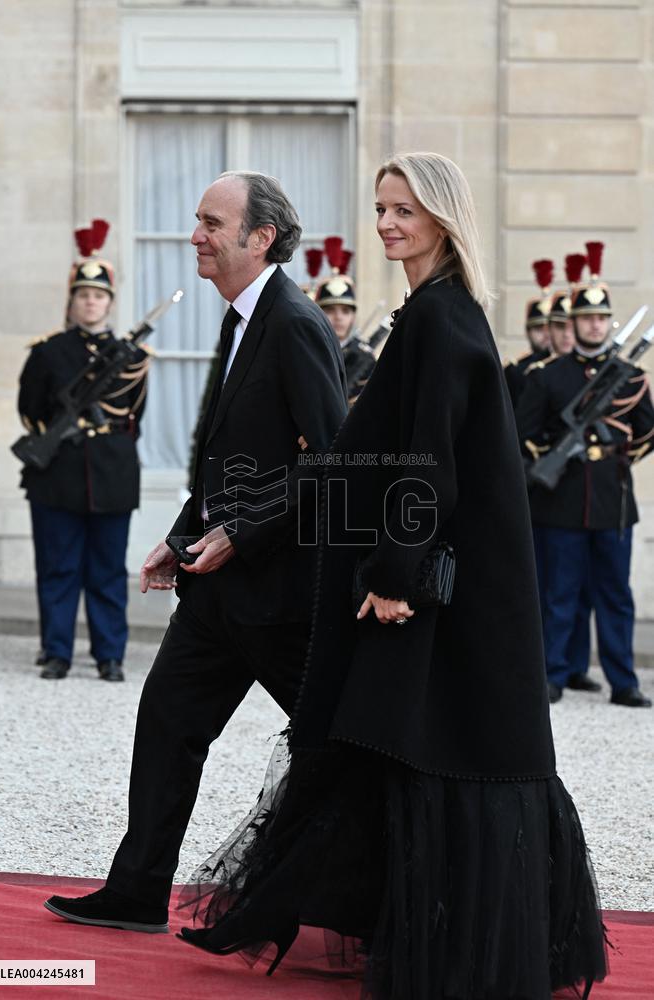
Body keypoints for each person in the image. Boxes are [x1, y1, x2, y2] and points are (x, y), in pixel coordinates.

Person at [175, 154, 606, 1000]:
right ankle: (383, 921)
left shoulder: (440, 317)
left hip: (437, 588)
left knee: (428, 740)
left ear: (441, 216)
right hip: (433, 577)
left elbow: (431, 459)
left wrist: (396, 573)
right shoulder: (432, 312)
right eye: (380, 208)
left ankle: (443, 944)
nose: (385, 224)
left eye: (403, 210)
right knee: (390, 733)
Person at [43, 172, 347, 932]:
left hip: (277, 593)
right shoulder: (243, 317)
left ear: (261, 237)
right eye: (197, 220)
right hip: (215, 592)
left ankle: (392, 900)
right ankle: (138, 891)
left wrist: (241, 533)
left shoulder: (295, 322)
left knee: (341, 744)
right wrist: (182, 537)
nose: (195, 236)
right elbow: (229, 457)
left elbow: (330, 461)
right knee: (167, 724)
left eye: (212, 223)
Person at [517, 241, 654, 707]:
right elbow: (524, 434)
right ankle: (553, 674)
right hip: (562, 499)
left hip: (613, 500)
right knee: (560, 593)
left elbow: (646, 431)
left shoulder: (630, 377)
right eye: (586, 318)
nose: (594, 324)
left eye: (601, 318)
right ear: (572, 323)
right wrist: (555, 456)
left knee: (615, 595)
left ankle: (623, 681)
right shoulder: (549, 376)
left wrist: (614, 455)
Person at [17, 224, 150, 682]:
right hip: (57, 473)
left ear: (109, 303)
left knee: (108, 570)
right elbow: (30, 410)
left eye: (99, 295)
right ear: (71, 301)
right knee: (58, 568)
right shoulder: (48, 352)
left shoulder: (133, 356)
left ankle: (109, 655)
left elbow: (134, 416)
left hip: (112, 474)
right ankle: (57, 651)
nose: (91, 302)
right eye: (83, 295)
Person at [316, 271, 376, 402]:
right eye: (330, 310)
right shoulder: (309, 350)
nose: (338, 317)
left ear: (353, 317)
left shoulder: (365, 358)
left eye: (345, 311)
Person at [504, 258, 552, 407]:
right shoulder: (515, 370)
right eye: (539, 329)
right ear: (527, 331)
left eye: (550, 328)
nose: (546, 334)